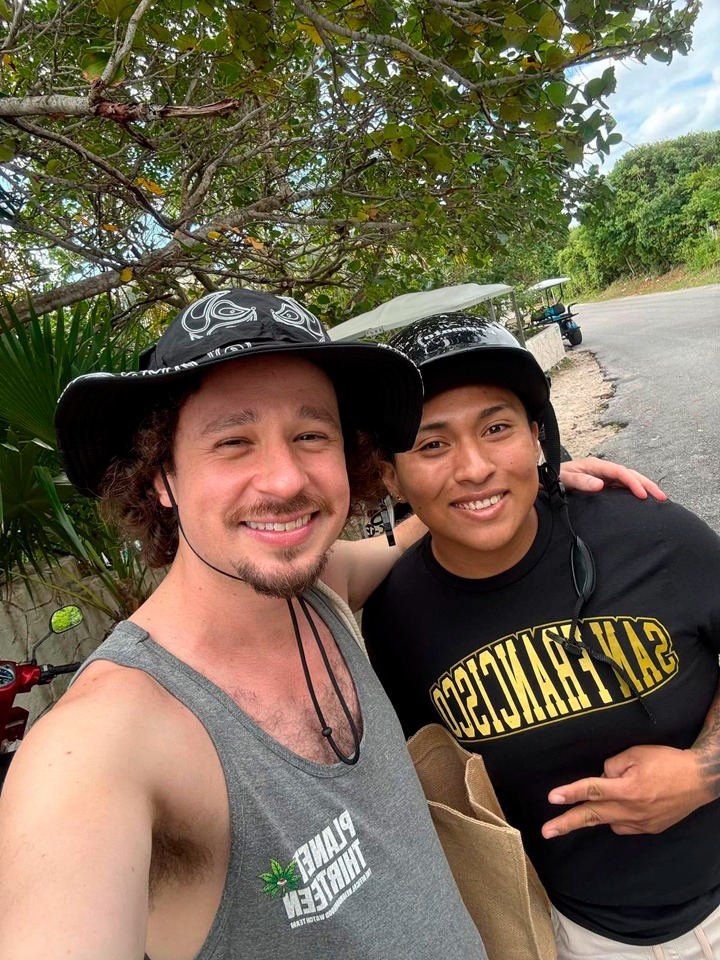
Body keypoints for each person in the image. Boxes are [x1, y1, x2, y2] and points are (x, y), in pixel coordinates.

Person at [0, 288, 659, 960]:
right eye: (233, 441)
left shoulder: (325, 592)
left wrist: (519, 489)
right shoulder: (97, 748)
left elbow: (413, 535)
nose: (285, 479)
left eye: (311, 435)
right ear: (161, 477)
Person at [362, 312, 720, 960]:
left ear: (535, 436)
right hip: (576, 937)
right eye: (432, 445)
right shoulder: (395, 622)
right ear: (390, 476)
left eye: (496, 429)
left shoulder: (652, 535)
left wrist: (704, 773)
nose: (473, 467)